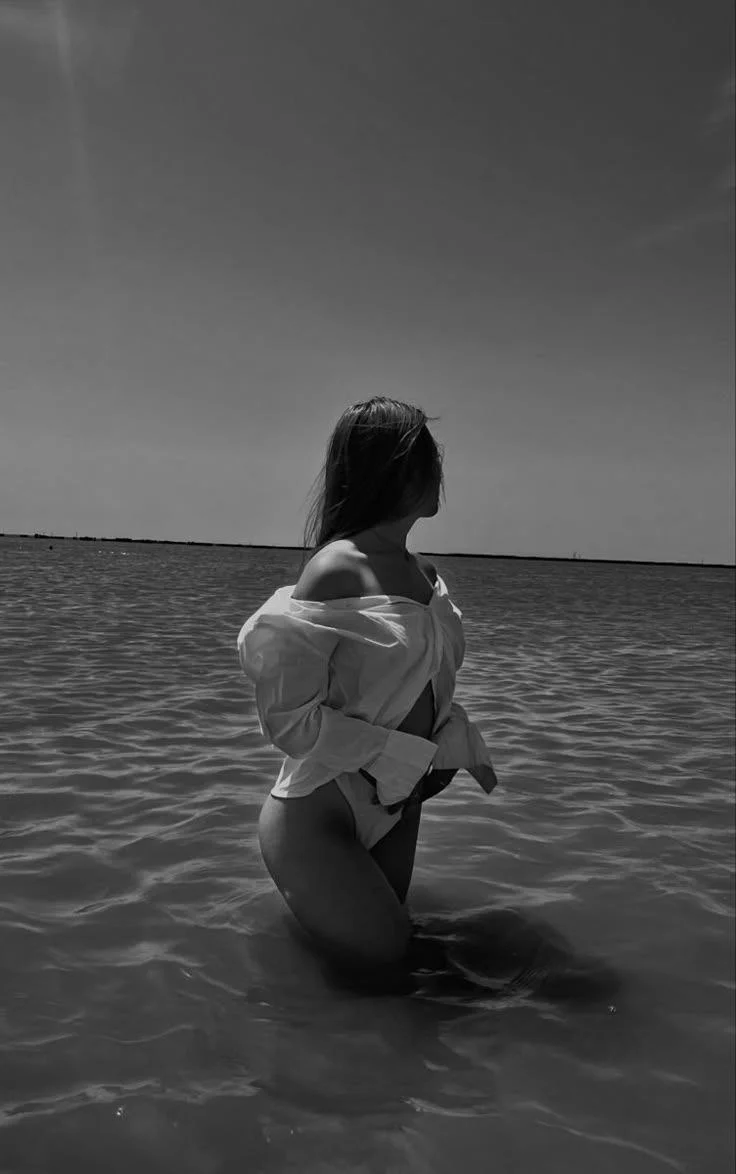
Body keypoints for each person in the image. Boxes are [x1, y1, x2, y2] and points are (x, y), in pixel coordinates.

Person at [237, 397, 498, 991]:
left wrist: (445, 753)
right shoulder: (335, 570)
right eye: (428, 458)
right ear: (392, 469)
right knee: (387, 961)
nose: (440, 472)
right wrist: (401, 758)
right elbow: (290, 722)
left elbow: (425, 686)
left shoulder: (425, 574)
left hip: (399, 802)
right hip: (320, 814)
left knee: (387, 966)